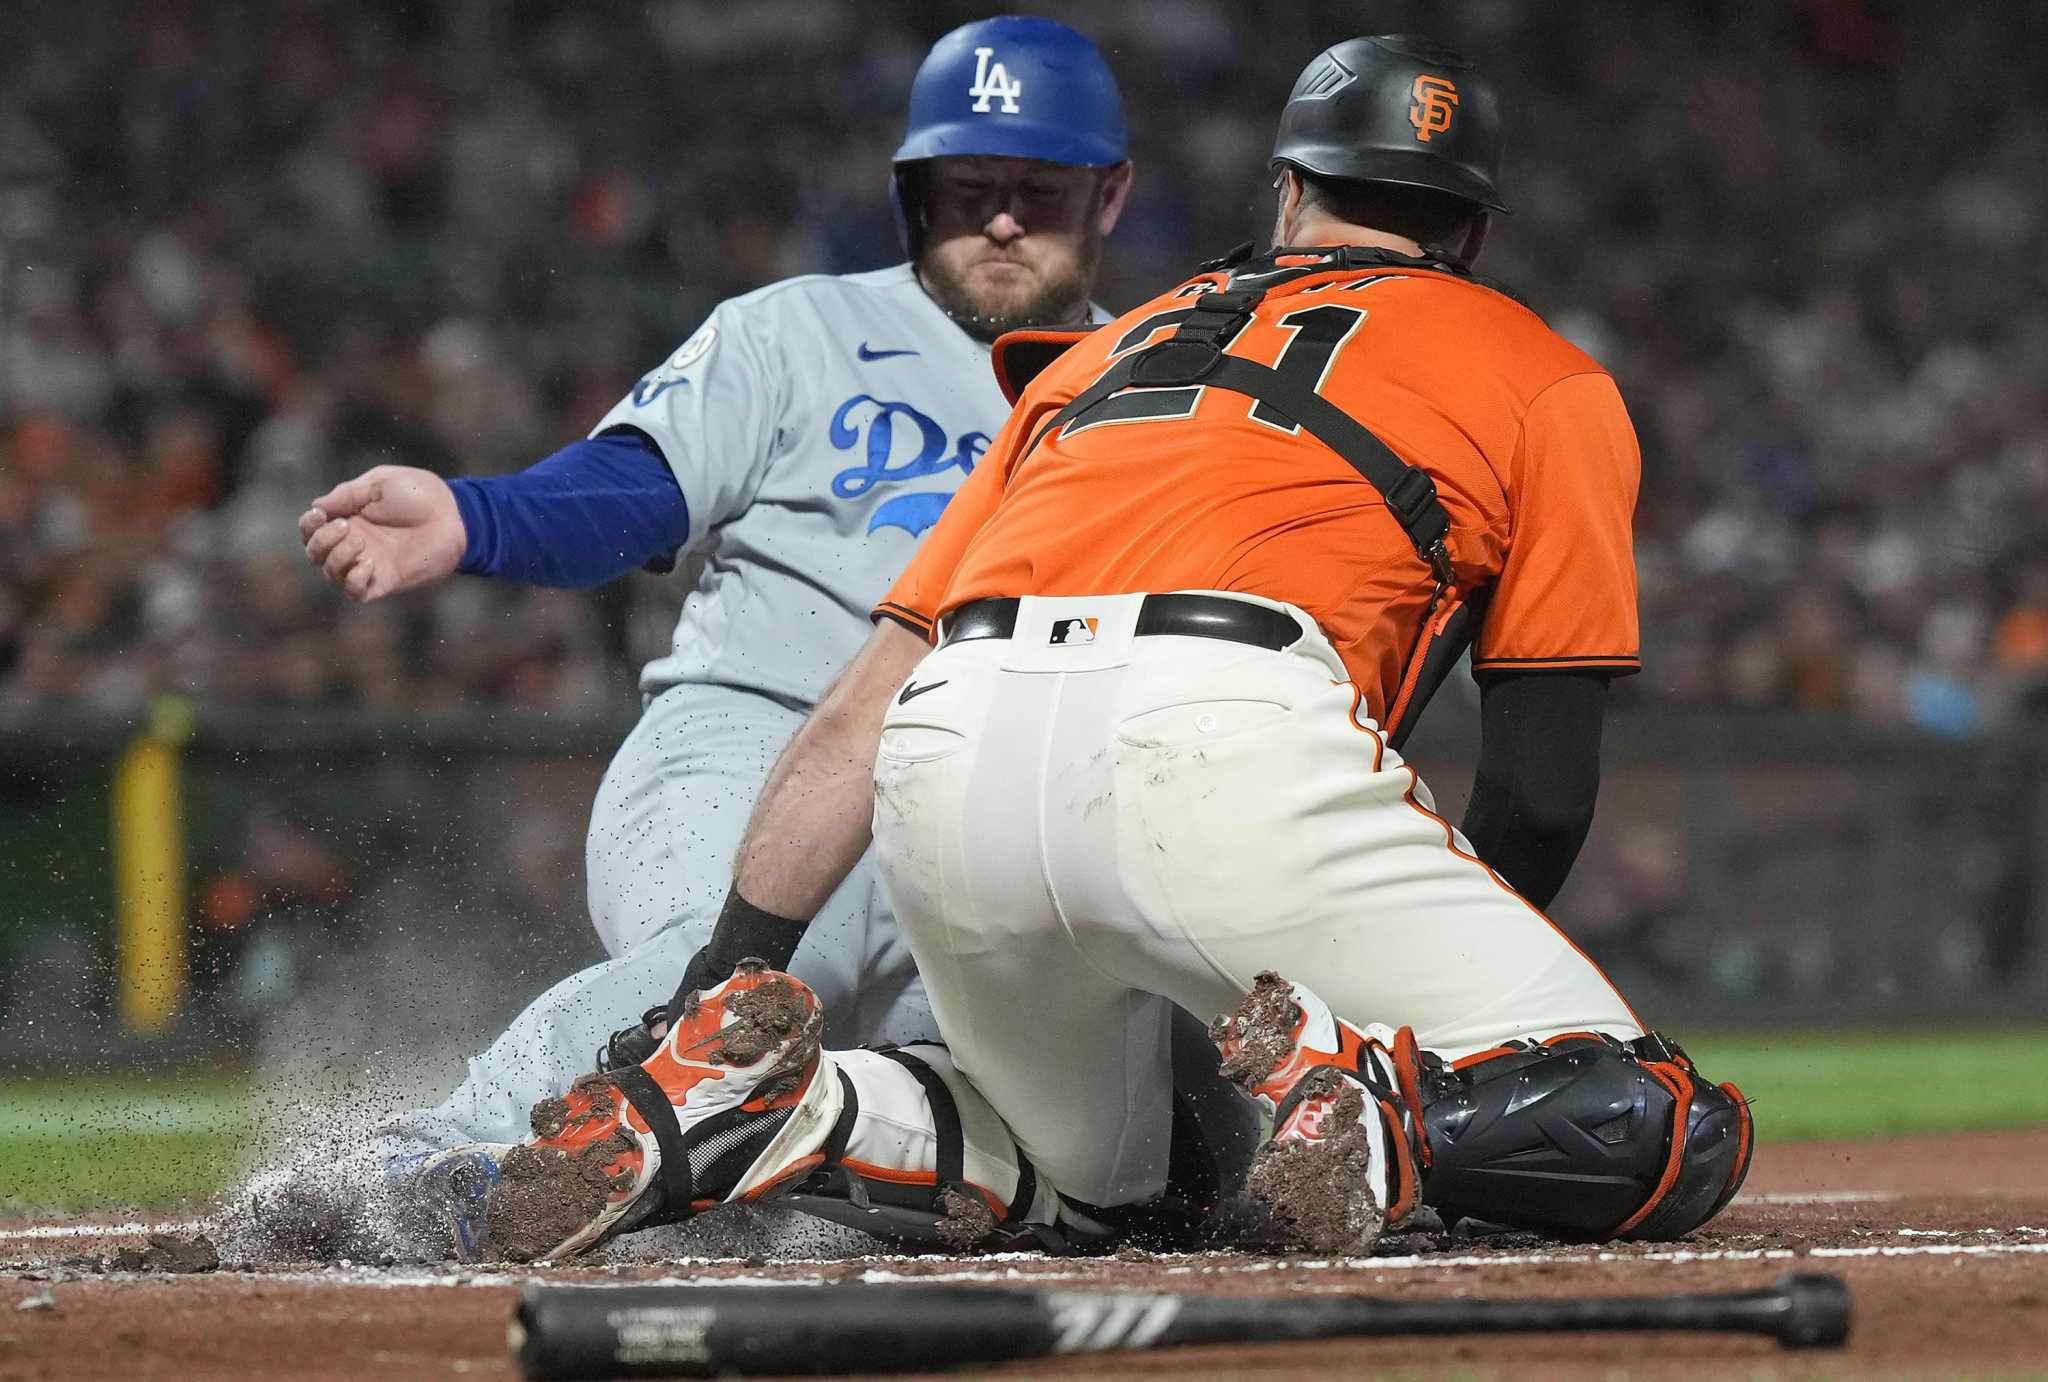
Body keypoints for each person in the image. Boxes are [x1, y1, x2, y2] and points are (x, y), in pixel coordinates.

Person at [477, 34, 1753, 1263]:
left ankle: (769, 1107)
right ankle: (1387, 1120)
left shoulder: (1096, 357)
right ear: (1473, 228)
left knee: (1079, 1174)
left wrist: (729, 972)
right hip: (1224, 734)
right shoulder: (1550, 380)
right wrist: (1437, 1036)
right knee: (1659, 1121)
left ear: (1289, 191)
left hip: (953, 739)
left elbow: (859, 711)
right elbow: (1538, 790)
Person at [267, 17, 1195, 1258]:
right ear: (913, 194)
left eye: (1040, 192)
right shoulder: (793, 332)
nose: (1004, 222)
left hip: (991, 807)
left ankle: (758, 1214)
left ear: (1111, 193)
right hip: (749, 741)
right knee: (769, 945)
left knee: (1001, 1091)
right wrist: (477, 515)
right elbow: (636, 489)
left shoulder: (1156, 388)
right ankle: (431, 1158)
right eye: (970, 191)